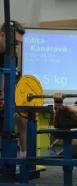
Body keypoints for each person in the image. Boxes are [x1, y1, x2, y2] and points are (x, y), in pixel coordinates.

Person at [0, 21, 27, 158]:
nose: (17, 46)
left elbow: (11, 83)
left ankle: (23, 159)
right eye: (15, 42)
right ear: (2, 35)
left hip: (4, 99)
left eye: (19, 43)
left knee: (22, 118)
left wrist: (6, 98)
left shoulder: (12, 57)